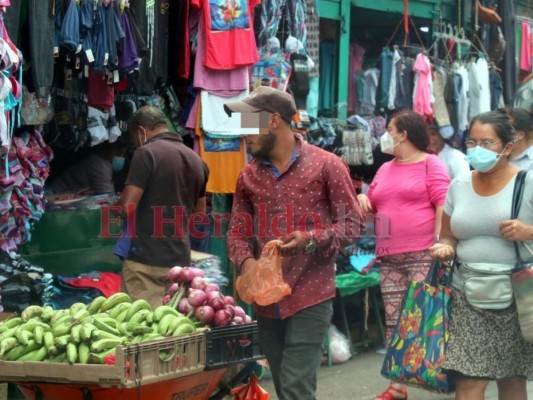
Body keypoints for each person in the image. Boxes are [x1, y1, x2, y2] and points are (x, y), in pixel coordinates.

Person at [224, 86, 364, 400]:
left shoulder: (327, 165)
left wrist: (311, 240)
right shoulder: (247, 177)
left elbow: (353, 225)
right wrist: (249, 265)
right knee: (285, 386)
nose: (244, 134)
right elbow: (237, 233)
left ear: (274, 120)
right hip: (266, 301)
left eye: (249, 122)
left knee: (296, 389)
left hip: (311, 294)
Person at [430, 110, 533, 400]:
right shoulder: (459, 185)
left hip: (517, 297)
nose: (477, 150)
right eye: (472, 142)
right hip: (467, 295)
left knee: (512, 379)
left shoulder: (527, 183)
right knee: (469, 382)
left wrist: (528, 231)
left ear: (508, 147)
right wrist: (446, 246)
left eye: (487, 143)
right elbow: (448, 233)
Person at [356, 110, 450, 400]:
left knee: (424, 318)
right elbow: (373, 202)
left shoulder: (430, 164)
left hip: (424, 253)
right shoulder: (385, 168)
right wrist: (362, 198)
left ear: (403, 134)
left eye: (389, 129)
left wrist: (439, 242)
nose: (385, 134)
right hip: (389, 256)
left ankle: (440, 376)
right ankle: (396, 387)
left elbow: (443, 203)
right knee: (395, 320)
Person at [115, 105, 209, 308]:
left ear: (141, 131)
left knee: (142, 329)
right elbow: (199, 216)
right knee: (172, 328)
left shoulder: (146, 153)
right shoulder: (198, 161)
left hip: (144, 260)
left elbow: (127, 208)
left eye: (134, 139)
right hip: (179, 261)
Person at [47, 141, 126, 195]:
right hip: (57, 193)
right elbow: (105, 195)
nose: (121, 158)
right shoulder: (99, 164)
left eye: (123, 155)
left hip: (66, 193)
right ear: (105, 151)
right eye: (118, 155)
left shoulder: (102, 163)